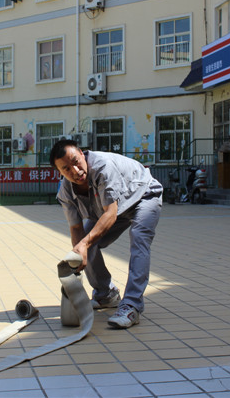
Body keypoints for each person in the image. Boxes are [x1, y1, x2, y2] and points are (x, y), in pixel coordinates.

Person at [49, 139, 162, 329]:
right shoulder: (66, 192)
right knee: (86, 243)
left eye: (76, 162)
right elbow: (76, 228)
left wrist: (84, 244)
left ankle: (132, 305)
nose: (75, 171)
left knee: (139, 238)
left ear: (82, 153)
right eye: (66, 169)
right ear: (59, 172)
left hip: (143, 196)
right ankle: (106, 295)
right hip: (113, 208)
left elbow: (110, 213)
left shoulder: (103, 167)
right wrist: (78, 258)